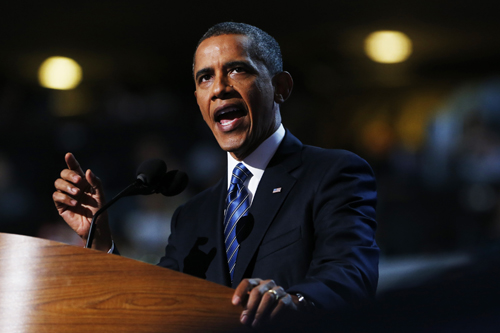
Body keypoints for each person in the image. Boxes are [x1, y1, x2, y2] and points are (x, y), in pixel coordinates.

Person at [53, 22, 379, 328]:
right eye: (205, 78)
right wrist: (100, 240)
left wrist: (294, 302)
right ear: (198, 100)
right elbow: (152, 306)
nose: (220, 88)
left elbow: (351, 272)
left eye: (237, 70)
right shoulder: (191, 216)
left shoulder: (332, 173)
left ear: (280, 87)